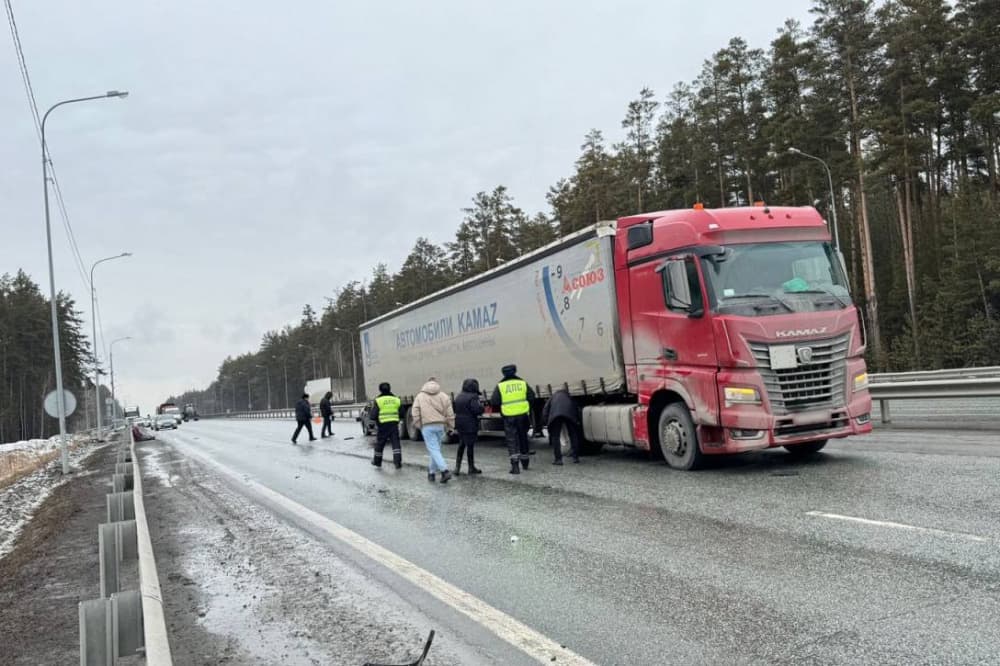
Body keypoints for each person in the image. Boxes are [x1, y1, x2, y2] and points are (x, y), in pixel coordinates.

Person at [490, 364, 535, 474]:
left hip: (509, 416)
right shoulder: (522, 383)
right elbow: (532, 396)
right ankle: (525, 463)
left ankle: (515, 466)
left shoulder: (500, 386)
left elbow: (494, 401)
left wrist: (503, 408)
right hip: (523, 415)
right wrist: (526, 407)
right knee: (523, 438)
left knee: (511, 440)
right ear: (515, 371)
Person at [410, 377, 455, 483]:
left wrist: (419, 425)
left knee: (434, 450)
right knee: (435, 450)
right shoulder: (444, 396)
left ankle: (445, 471)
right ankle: (431, 473)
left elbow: (415, 412)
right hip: (440, 425)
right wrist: (451, 426)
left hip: (427, 426)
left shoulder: (420, 396)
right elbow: (450, 413)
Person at [453, 378, 483, 475]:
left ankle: (457, 468)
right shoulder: (473, 396)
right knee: (470, 445)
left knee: (461, 444)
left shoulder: (459, 396)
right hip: (470, 423)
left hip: (459, 423)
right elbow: (476, 410)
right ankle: (471, 467)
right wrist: (482, 408)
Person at [542, 388, 581, 465]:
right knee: (573, 434)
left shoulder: (552, 397)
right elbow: (576, 408)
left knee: (555, 437)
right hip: (569, 415)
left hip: (555, 416)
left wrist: (546, 422)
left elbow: (545, 410)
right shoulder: (569, 396)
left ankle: (558, 459)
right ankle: (575, 457)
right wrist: (577, 420)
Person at [369, 382, 402, 469]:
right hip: (394, 425)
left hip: (383, 425)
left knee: (380, 444)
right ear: (390, 389)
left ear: (380, 390)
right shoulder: (396, 399)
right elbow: (402, 413)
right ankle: (397, 462)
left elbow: (373, 414)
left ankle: (377, 462)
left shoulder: (378, 400)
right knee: (395, 443)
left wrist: (371, 424)